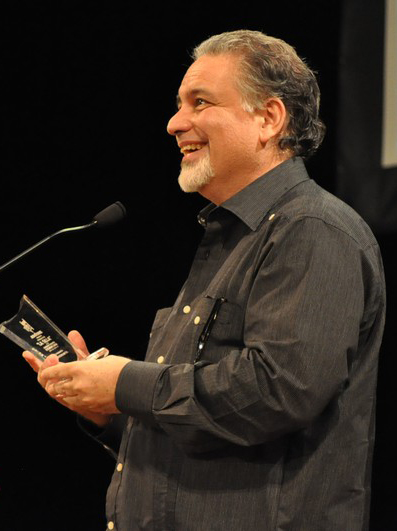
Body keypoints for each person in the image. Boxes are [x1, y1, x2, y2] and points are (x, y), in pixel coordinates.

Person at [24, 30, 385, 530]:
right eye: (178, 104)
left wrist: (126, 383)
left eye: (200, 102)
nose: (175, 123)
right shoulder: (230, 236)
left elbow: (278, 392)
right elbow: (204, 420)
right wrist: (108, 408)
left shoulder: (313, 229)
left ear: (269, 118)